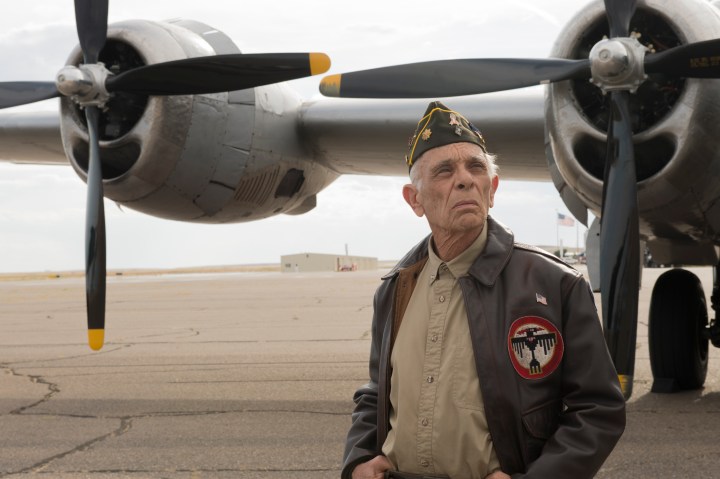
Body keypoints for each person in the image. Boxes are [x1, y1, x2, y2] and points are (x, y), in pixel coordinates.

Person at [341, 101, 626, 479]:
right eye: (444, 171)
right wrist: (359, 458)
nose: (464, 180)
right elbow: (376, 393)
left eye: (475, 168)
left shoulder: (555, 285)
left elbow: (598, 408)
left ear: (491, 189)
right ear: (415, 200)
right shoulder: (396, 287)